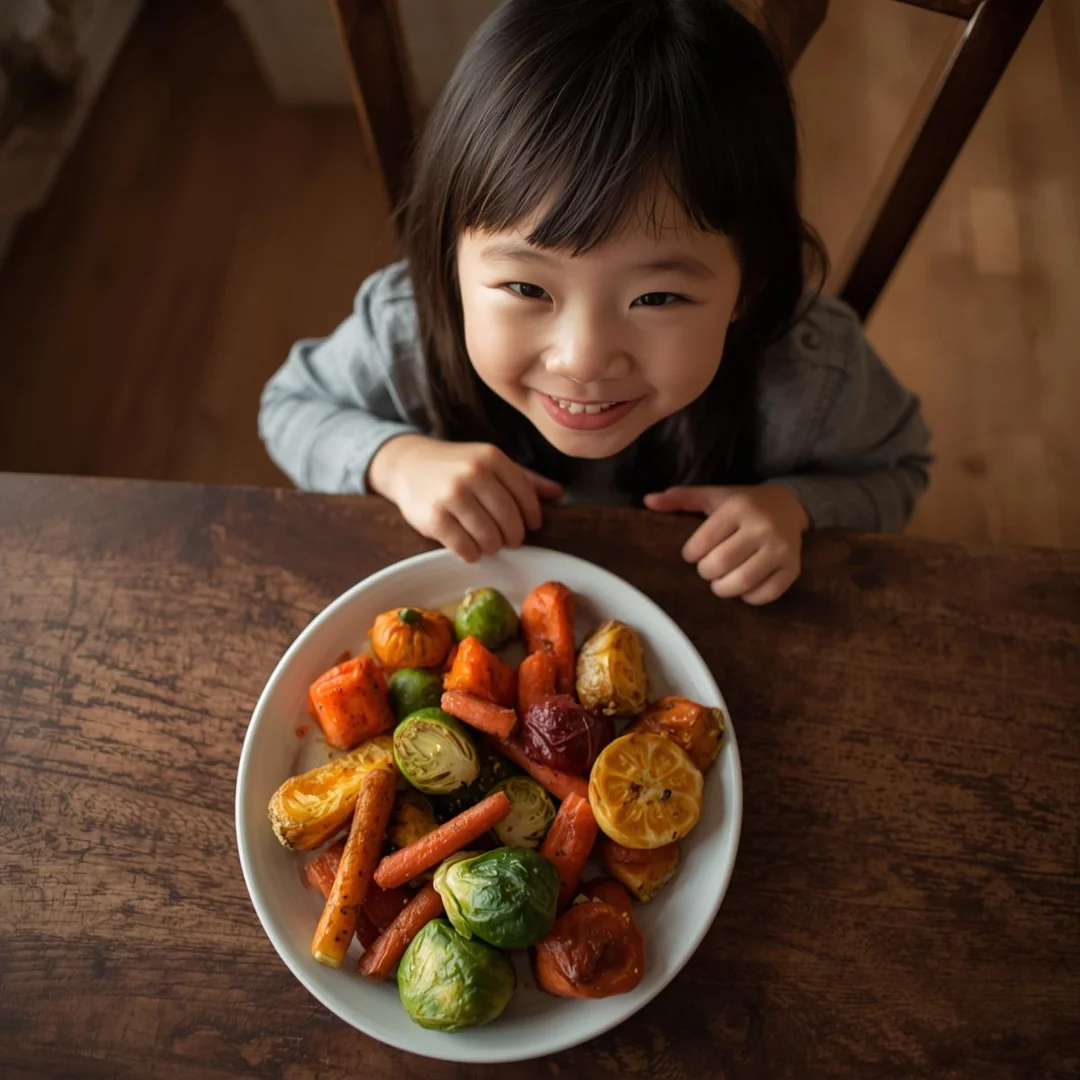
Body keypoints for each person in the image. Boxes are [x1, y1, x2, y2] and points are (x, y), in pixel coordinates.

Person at [260, 0, 931, 605]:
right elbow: (289, 408)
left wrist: (795, 508)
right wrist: (396, 460)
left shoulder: (811, 372)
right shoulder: (407, 332)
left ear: (748, 284)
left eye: (658, 296)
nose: (583, 358)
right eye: (527, 288)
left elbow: (900, 468)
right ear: (449, 257)